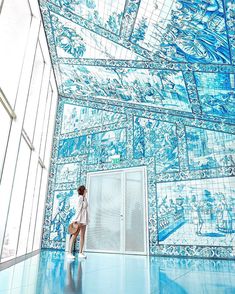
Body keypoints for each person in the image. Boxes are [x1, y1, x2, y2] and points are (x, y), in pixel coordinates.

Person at [67, 185, 89, 259]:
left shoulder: (85, 198)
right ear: (83, 190)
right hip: (79, 219)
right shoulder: (80, 198)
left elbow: (85, 209)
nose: (86, 190)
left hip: (84, 219)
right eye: (85, 189)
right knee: (74, 235)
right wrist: (75, 220)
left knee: (82, 236)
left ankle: (80, 252)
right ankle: (69, 253)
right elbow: (78, 209)